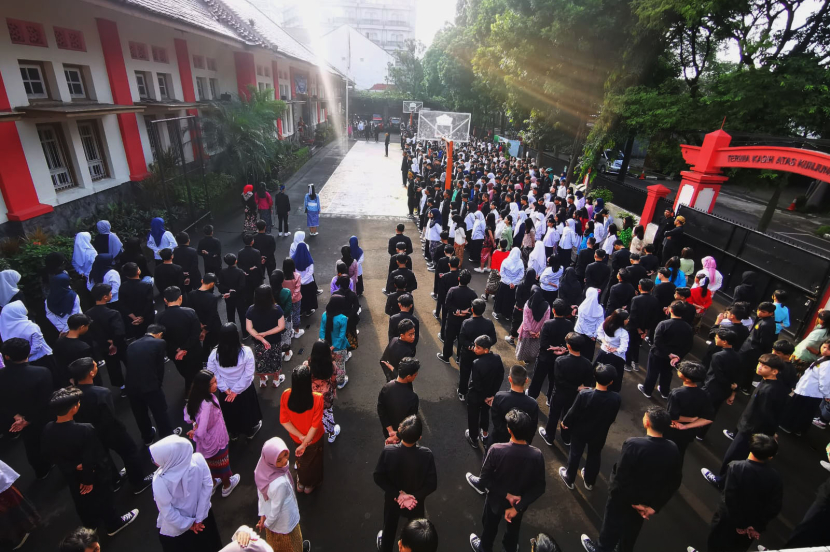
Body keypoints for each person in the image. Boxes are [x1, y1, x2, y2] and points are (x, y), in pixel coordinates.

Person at [580, 407, 682, 552]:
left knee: (610, 530)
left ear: (647, 422)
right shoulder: (673, 448)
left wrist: (633, 502)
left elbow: (621, 477)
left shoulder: (634, 444)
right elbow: (674, 481)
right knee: (630, 533)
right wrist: (654, 507)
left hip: (622, 499)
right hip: (646, 501)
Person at [42, 386, 139, 536]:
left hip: (71, 475)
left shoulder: (48, 428)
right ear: (74, 408)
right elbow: (92, 455)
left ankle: (90, 525)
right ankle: (114, 524)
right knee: (104, 498)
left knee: (81, 501)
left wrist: (73, 468)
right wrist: (87, 479)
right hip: (93, 474)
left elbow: (51, 454)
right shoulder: (85, 429)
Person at [701, 354, 789, 490]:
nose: (759, 368)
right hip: (752, 428)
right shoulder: (772, 384)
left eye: (765, 366)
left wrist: (766, 433)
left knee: (732, 456)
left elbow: (766, 415)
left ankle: (721, 481)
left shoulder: (769, 390)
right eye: (759, 364)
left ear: (774, 371)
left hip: (750, 429)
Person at [69, 357, 154, 495]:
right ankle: (138, 483)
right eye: (95, 366)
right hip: (111, 431)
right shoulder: (101, 393)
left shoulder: (72, 394)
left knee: (105, 457)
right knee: (130, 452)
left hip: (90, 434)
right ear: (91, 373)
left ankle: (115, 481)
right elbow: (110, 416)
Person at [467, 409, 546, 552]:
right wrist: (517, 506)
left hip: (495, 501)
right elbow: (540, 487)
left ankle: (484, 547)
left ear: (509, 430)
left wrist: (506, 495)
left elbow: (485, 479)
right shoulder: (537, 455)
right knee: (513, 530)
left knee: (489, 527)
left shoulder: (496, 450)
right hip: (519, 504)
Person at [690, 434, 782, 552]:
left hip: (728, 521)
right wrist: (755, 527)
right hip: (752, 525)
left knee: (716, 544)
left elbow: (729, 499)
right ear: (770, 457)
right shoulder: (775, 477)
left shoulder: (736, 467)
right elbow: (775, 506)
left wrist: (741, 525)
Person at [374, 415, 438, 552]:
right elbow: (432, 484)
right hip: (416, 503)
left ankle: (385, 546)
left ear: (400, 433)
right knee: (415, 530)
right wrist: (413, 497)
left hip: (393, 500)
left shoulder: (388, 452)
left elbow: (378, 477)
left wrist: (398, 495)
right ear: (419, 437)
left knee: (389, 527)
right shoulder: (427, 455)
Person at [149, 435, 222, 552]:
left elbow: (167, 512)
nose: (156, 462)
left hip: (178, 531)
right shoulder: (198, 459)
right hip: (204, 519)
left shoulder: (159, 481)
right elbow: (207, 487)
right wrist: (199, 518)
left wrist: (189, 524)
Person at [559, 364, 621, 491]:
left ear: (595, 377)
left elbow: (573, 411)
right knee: (594, 455)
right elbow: (612, 417)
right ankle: (589, 481)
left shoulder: (585, 394)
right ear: (611, 382)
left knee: (575, 453)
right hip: (599, 432)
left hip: (580, 430)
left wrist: (565, 422)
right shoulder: (616, 398)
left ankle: (569, 477)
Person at [0, 338, 53, 479]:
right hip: (43, 416)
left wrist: (17, 416)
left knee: (31, 445)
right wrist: (29, 419)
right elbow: (45, 400)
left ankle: (41, 471)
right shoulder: (42, 372)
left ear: (7, 356)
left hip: (18, 419)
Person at [184, 370, 241, 498]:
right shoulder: (207, 404)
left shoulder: (195, 399)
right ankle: (227, 486)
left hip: (205, 443)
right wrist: (197, 431)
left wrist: (194, 427)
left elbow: (188, 416)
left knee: (210, 464)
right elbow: (203, 428)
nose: (216, 384)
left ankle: (214, 483)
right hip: (216, 438)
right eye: (213, 383)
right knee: (222, 463)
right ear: (204, 386)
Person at [126, 324, 179, 445]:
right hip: (150, 385)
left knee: (140, 413)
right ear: (160, 334)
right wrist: (158, 383)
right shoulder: (160, 343)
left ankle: (147, 437)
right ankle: (167, 436)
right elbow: (159, 367)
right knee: (160, 411)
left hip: (131, 385)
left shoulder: (132, 345)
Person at [539, 332, 594, 446]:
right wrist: (578, 388)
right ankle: (566, 437)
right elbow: (588, 384)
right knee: (569, 415)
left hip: (559, 393)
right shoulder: (587, 363)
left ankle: (549, 436)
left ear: (568, 346)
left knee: (554, 414)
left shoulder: (560, 361)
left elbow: (558, 381)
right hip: (575, 396)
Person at [254, 438, 309, 551]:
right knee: (292, 544)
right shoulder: (280, 483)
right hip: (285, 521)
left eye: (285, 454)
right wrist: (267, 524)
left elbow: (261, 494)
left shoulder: (262, 470)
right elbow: (276, 509)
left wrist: (263, 515)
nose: (284, 461)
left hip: (271, 520)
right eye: (279, 460)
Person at [209, 323, 262, 440]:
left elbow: (212, 373)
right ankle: (250, 432)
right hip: (244, 390)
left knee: (230, 413)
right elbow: (248, 375)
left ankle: (233, 433)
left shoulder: (214, 353)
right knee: (247, 411)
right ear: (236, 335)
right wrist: (236, 391)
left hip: (226, 392)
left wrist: (226, 389)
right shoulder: (246, 351)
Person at [280, 366, 324, 493]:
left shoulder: (286, 394)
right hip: (314, 438)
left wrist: (300, 438)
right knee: (314, 461)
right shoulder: (317, 398)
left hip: (296, 438)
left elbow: (284, 421)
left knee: (302, 460)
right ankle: (309, 486)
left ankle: (301, 484)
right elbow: (315, 426)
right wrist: (305, 443)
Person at [638, 301, 694, 400]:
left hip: (658, 353)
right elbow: (688, 345)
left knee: (652, 372)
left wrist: (668, 353)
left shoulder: (664, 324)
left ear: (671, 310)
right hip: (674, 357)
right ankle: (664, 391)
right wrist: (678, 356)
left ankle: (647, 390)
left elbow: (657, 341)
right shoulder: (688, 328)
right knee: (667, 373)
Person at [663, 361, 713, 463]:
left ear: (686, 378)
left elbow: (673, 416)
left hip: (673, 430)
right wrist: (688, 425)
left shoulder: (676, 393)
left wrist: (688, 420)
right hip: (688, 432)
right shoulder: (704, 394)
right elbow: (708, 418)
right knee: (680, 453)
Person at [779, 339, 830, 435]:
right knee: (803, 411)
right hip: (808, 390)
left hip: (811, 392)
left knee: (798, 410)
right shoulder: (824, 359)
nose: (825, 350)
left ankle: (789, 426)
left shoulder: (827, 364)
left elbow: (824, 381)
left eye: (828, 349)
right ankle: (797, 429)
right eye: (824, 347)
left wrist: (826, 394)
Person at [157, 287, 202, 392]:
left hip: (175, 354)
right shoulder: (190, 312)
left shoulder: (159, 317)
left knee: (185, 372)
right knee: (197, 372)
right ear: (180, 298)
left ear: (165, 300)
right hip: (193, 351)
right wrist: (184, 348)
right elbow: (195, 334)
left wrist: (177, 349)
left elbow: (161, 338)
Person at [700, 329, 741, 440]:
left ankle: (696, 430)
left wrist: (730, 386)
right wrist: (733, 391)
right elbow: (736, 376)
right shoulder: (737, 356)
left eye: (717, 338)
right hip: (724, 392)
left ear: (725, 342)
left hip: (712, 387)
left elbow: (718, 376)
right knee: (713, 412)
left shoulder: (718, 356)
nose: (715, 339)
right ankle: (701, 433)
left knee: (701, 410)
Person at [86, 283, 127, 394]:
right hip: (119, 344)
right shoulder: (113, 313)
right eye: (109, 293)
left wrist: (104, 342)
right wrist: (114, 342)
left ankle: (122, 387)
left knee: (112, 367)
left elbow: (90, 333)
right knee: (128, 361)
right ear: (105, 297)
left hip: (103, 346)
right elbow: (119, 332)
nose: (111, 295)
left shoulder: (88, 314)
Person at [465, 335, 504, 448]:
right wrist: (491, 395)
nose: (475, 349)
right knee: (485, 413)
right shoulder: (497, 358)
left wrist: (484, 396)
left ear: (486, 349)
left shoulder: (477, 363)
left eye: (477, 347)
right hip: (490, 396)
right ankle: (485, 434)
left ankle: (473, 438)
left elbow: (476, 384)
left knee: (473, 416)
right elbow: (500, 377)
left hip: (476, 396)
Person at [246, 285, 286, 389]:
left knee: (261, 360)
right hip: (274, 341)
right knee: (275, 359)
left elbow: (249, 328)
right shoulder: (277, 309)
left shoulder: (251, 309)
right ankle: (276, 380)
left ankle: (263, 380)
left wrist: (261, 338)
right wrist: (266, 333)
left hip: (258, 343)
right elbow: (281, 326)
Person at [458, 299, 497, 400]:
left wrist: (471, 346)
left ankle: (462, 392)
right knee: (481, 375)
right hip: (483, 355)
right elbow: (493, 339)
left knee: (464, 373)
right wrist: (483, 347)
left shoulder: (466, 323)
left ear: (472, 309)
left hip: (467, 353)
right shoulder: (489, 323)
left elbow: (461, 339)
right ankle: (478, 394)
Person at [490, 365, 539, 445]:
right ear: (526, 380)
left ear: (510, 379)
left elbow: (496, 420)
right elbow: (532, 428)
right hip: (521, 441)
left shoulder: (500, 397)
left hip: (500, 439)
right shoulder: (533, 404)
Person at [378, 357, 421, 443]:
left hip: (388, 432)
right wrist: (397, 436)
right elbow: (410, 422)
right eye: (415, 375)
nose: (416, 376)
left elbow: (381, 410)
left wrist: (390, 431)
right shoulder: (413, 397)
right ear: (408, 376)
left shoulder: (386, 388)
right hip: (403, 435)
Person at [0, 301, 53, 370]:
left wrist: (20, 357)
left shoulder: (4, 329)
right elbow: (37, 346)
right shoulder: (31, 326)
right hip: (41, 359)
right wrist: (26, 355)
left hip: (19, 363)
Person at [737, 302, 777, 394]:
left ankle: (744, 387)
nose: (759, 313)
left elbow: (765, 342)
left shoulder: (767, 325)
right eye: (759, 310)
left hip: (753, 350)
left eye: (763, 311)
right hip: (749, 348)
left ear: (770, 313)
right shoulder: (763, 320)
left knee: (747, 369)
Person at [438, 270, 477, 364]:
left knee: (449, 338)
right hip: (465, 321)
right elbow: (475, 306)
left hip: (452, 320)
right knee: (462, 339)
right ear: (469, 281)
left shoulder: (452, 290)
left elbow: (447, 305)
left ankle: (446, 356)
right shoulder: (472, 293)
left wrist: (457, 311)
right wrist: (465, 312)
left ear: (458, 278)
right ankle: (459, 358)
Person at [306, 341, 340, 443]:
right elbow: (333, 380)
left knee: (314, 415)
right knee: (327, 414)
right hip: (325, 396)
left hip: (312, 395)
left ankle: (314, 432)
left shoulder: (309, 364)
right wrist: (334, 389)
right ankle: (331, 434)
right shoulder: (331, 366)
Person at [625, 279, 660, 373]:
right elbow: (654, 317)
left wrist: (638, 328)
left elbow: (633, 315)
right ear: (652, 289)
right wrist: (645, 330)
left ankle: (628, 363)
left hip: (633, 327)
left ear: (639, 287)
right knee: (636, 344)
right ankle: (635, 363)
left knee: (629, 344)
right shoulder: (655, 300)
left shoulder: (636, 299)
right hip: (645, 328)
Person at [53, 314, 95, 388]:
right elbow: (87, 368)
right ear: (82, 327)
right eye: (87, 326)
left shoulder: (58, 341)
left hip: (66, 380)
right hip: (82, 382)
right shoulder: (83, 347)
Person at [594, 310, 629, 392]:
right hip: (616, 357)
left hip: (603, 352)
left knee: (599, 370)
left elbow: (599, 332)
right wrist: (615, 349)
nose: (628, 320)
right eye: (627, 318)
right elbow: (623, 348)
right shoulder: (623, 333)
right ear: (621, 320)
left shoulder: (607, 322)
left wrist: (605, 343)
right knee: (614, 376)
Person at [320, 294, 350, 387]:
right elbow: (341, 336)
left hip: (327, 345)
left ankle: (330, 377)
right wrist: (333, 347)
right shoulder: (343, 318)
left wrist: (324, 344)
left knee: (329, 363)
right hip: (339, 347)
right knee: (340, 365)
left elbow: (322, 330)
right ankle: (340, 382)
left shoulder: (324, 315)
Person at [119, 262, 155, 339]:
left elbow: (122, 304)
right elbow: (149, 303)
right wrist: (142, 317)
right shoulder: (146, 285)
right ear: (138, 271)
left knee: (138, 336)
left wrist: (134, 317)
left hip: (132, 318)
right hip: (147, 317)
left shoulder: (123, 286)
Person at [516, 286, 550, 363]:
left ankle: (525, 359)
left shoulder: (528, 304)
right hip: (538, 331)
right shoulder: (547, 306)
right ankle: (533, 358)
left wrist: (530, 330)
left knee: (525, 345)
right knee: (535, 346)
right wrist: (539, 332)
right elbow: (546, 320)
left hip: (527, 330)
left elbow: (525, 319)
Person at [218, 253, 249, 336]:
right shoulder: (240, 272)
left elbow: (220, 285)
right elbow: (242, 286)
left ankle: (232, 332)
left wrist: (228, 291)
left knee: (230, 315)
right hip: (239, 297)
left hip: (228, 298)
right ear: (236, 261)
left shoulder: (222, 272)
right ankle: (245, 333)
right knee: (242, 315)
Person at [574, 288, 604, 360]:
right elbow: (600, 323)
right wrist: (594, 334)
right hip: (593, 335)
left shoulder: (582, 307)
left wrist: (589, 334)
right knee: (588, 354)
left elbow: (581, 323)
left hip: (581, 332)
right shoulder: (599, 308)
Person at [292, 243, 319, 315]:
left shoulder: (293, 259)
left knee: (300, 298)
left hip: (298, 282)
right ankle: (308, 311)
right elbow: (311, 271)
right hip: (308, 283)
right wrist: (304, 280)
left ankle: (301, 311)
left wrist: (300, 280)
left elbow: (293, 270)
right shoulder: (308, 258)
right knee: (309, 297)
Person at [238, 233, 265, 306]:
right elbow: (258, 266)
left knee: (249, 294)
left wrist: (246, 269)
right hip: (256, 277)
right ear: (252, 241)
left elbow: (239, 265)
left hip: (246, 277)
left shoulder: (240, 252)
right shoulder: (256, 252)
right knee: (259, 293)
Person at [282, 259, 304, 340]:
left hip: (285, 300)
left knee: (287, 316)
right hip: (296, 299)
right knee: (296, 314)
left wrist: (288, 299)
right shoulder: (297, 276)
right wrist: (292, 297)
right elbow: (297, 289)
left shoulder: (282, 276)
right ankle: (297, 331)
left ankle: (289, 332)